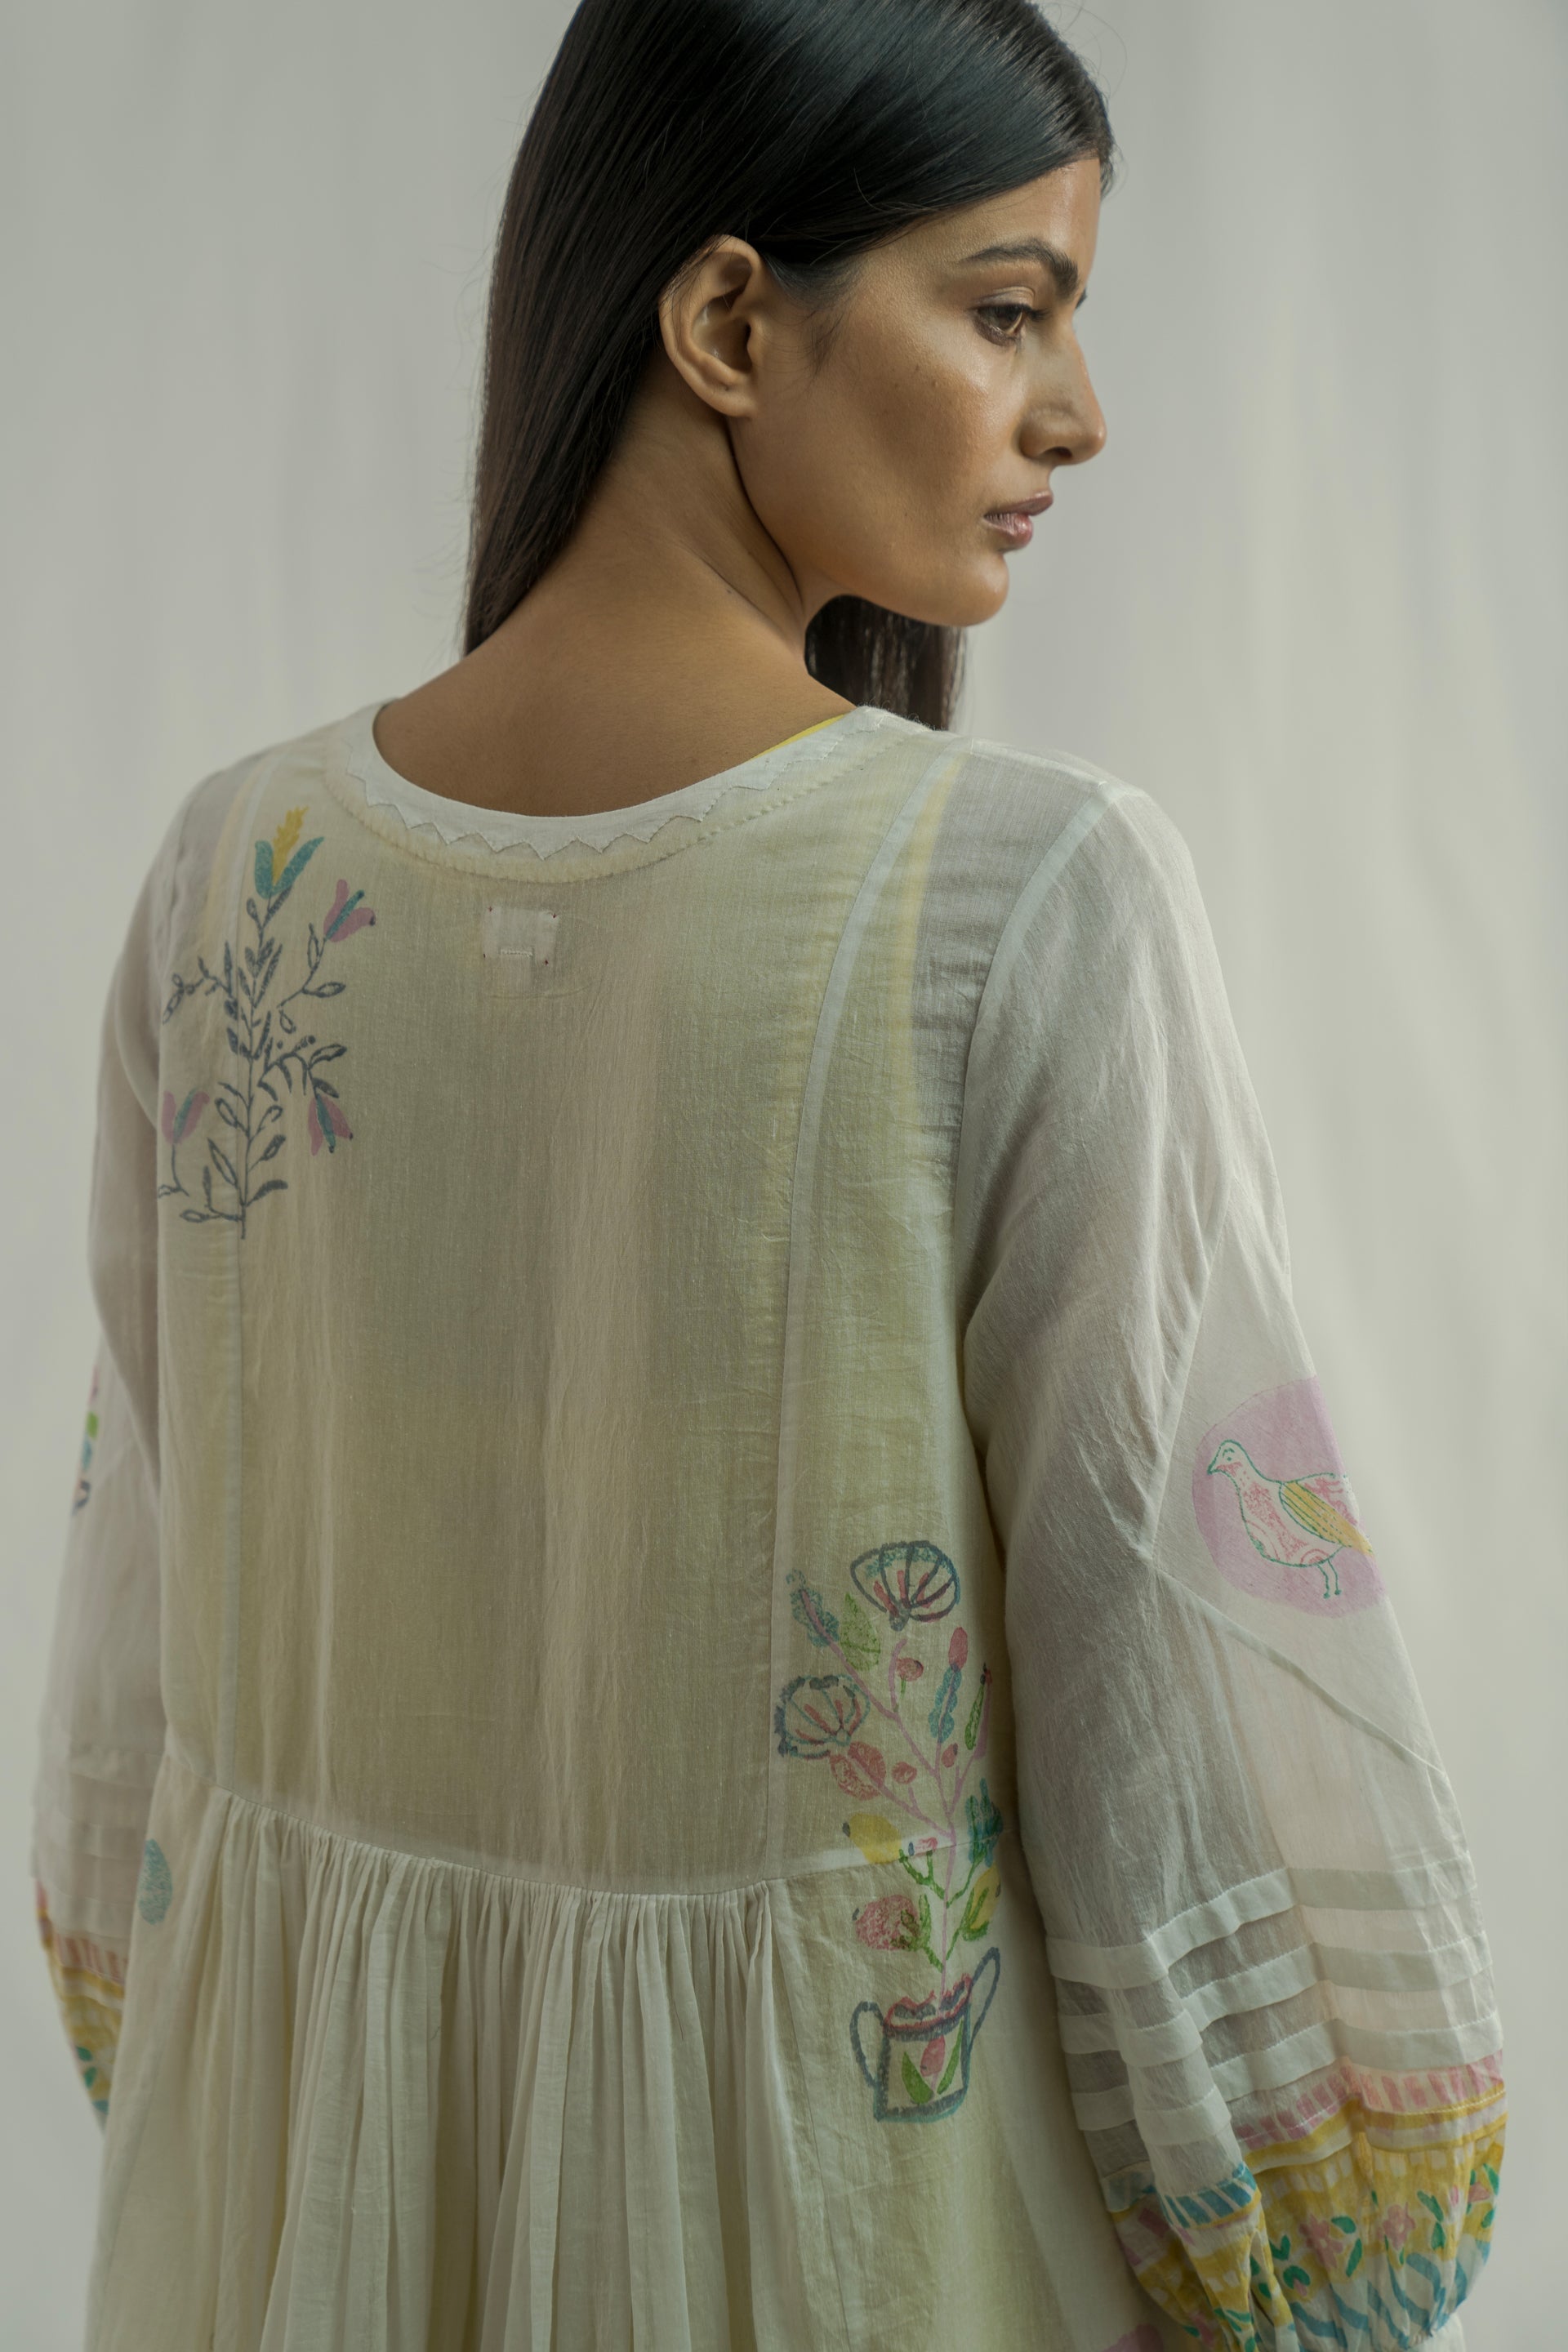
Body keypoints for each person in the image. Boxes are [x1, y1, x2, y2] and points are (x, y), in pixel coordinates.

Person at [30, 2, 1505, 2346]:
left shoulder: (237, 880)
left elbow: (137, 1725)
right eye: (1007, 310)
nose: (1078, 414)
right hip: (846, 2245)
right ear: (728, 321)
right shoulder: (1021, 898)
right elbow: (1183, 1688)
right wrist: (1314, 2238)